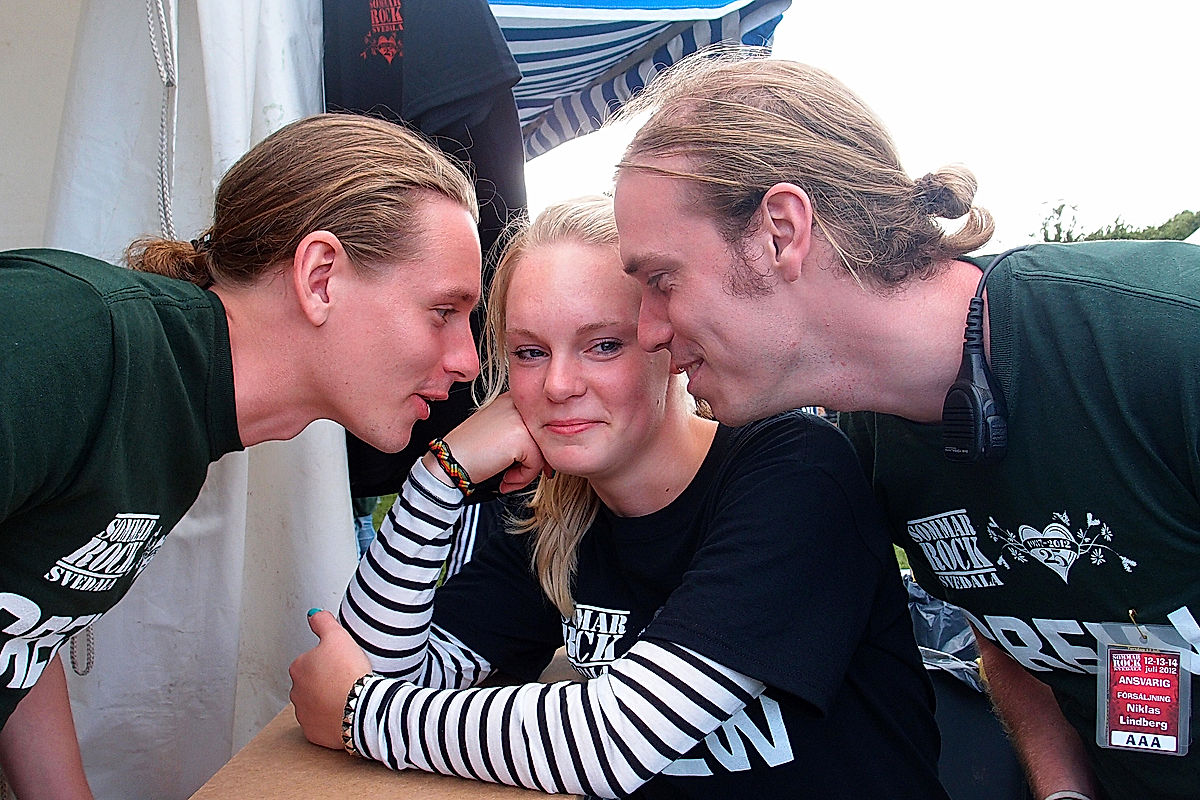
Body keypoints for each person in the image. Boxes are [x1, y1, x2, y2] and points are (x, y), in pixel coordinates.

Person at [610, 52, 1200, 800]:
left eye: (662, 281)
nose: (649, 331)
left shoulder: (1163, 346)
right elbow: (1015, 635)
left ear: (780, 232)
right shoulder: (866, 449)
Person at [288, 197, 949, 799]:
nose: (559, 385)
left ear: (667, 341)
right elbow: (370, 669)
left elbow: (614, 740)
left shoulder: (794, 472)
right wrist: (437, 481)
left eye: (603, 345)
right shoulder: (552, 518)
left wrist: (360, 715)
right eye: (530, 352)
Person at [0, 112, 482, 798]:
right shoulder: (66, 336)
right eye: (443, 312)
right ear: (321, 277)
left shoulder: (178, 416)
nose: (467, 360)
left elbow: (24, 627)